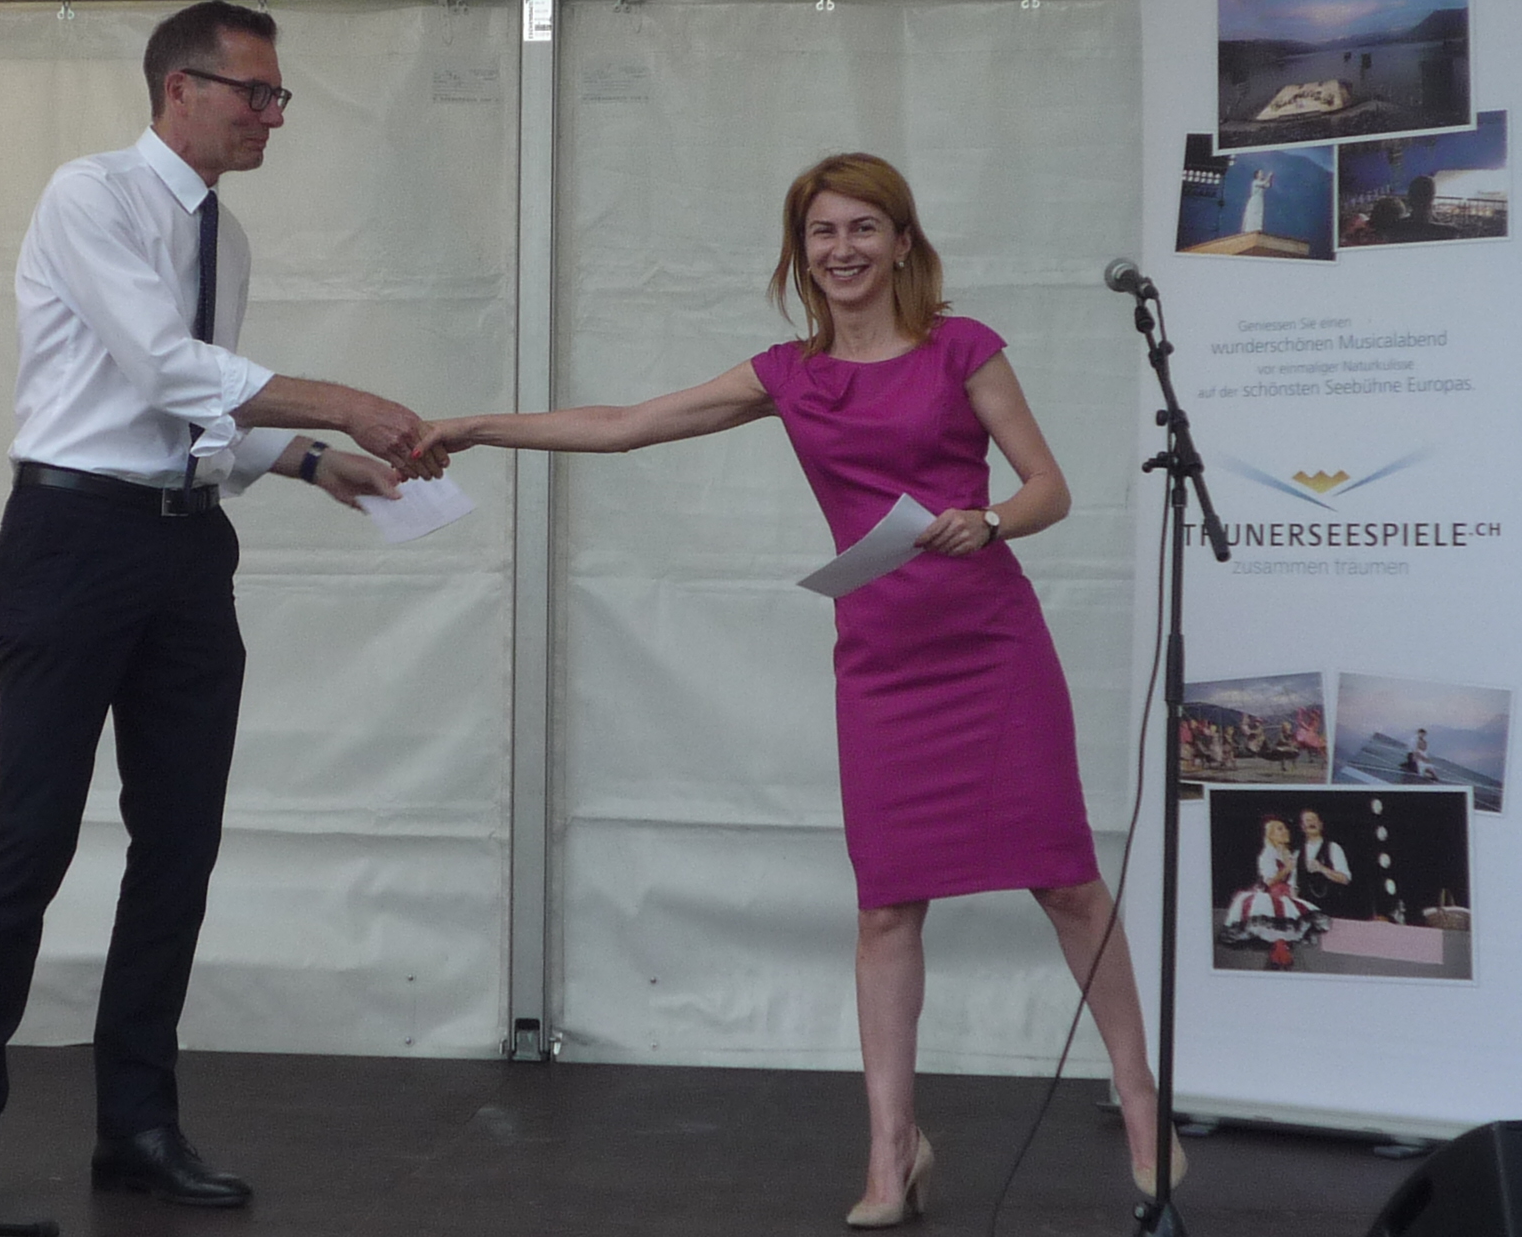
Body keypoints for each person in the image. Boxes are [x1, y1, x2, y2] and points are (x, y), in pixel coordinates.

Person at [414, 153, 1168, 1224]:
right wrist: (476, 427)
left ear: (901, 243)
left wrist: (992, 519)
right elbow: (625, 423)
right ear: (800, 252)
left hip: (991, 646)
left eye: (863, 228)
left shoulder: (962, 347)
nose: (842, 248)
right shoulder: (789, 375)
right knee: (885, 905)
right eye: (822, 231)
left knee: (1065, 881)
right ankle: (891, 1153)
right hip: (882, 660)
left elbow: (1048, 486)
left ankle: (1139, 1105)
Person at [0, 0, 447, 1217]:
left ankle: (138, 1123)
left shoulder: (224, 240)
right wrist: (340, 402)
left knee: (179, 840)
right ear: (178, 88)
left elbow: (193, 414)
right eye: (255, 93)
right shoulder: (90, 196)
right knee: (30, 832)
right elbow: (159, 362)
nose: (272, 116)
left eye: (277, 96)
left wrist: (308, 461)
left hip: (184, 549)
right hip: (72, 540)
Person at [1219, 815, 1328, 967]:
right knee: (1276, 922)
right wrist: (1286, 869)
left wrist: (1294, 896)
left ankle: (1280, 955)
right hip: (1272, 894)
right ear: (1271, 835)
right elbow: (1269, 881)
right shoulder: (1268, 853)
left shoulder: (1289, 855)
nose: (1285, 831)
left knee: (1291, 922)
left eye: (1285, 828)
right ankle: (1278, 956)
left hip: (1286, 895)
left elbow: (1292, 882)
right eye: (1280, 829)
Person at [1294, 808, 1355, 919]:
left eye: (1314, 819)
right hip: (1307, 914)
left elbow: (1345, 879)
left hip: (1331, 910)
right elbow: (1294, 885)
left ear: (1321, 825)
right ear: (1302, 827)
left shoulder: (1333, 848)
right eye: (1308, 820)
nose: (1312, 823)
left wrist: (1322, 869)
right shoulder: (1297, 853)